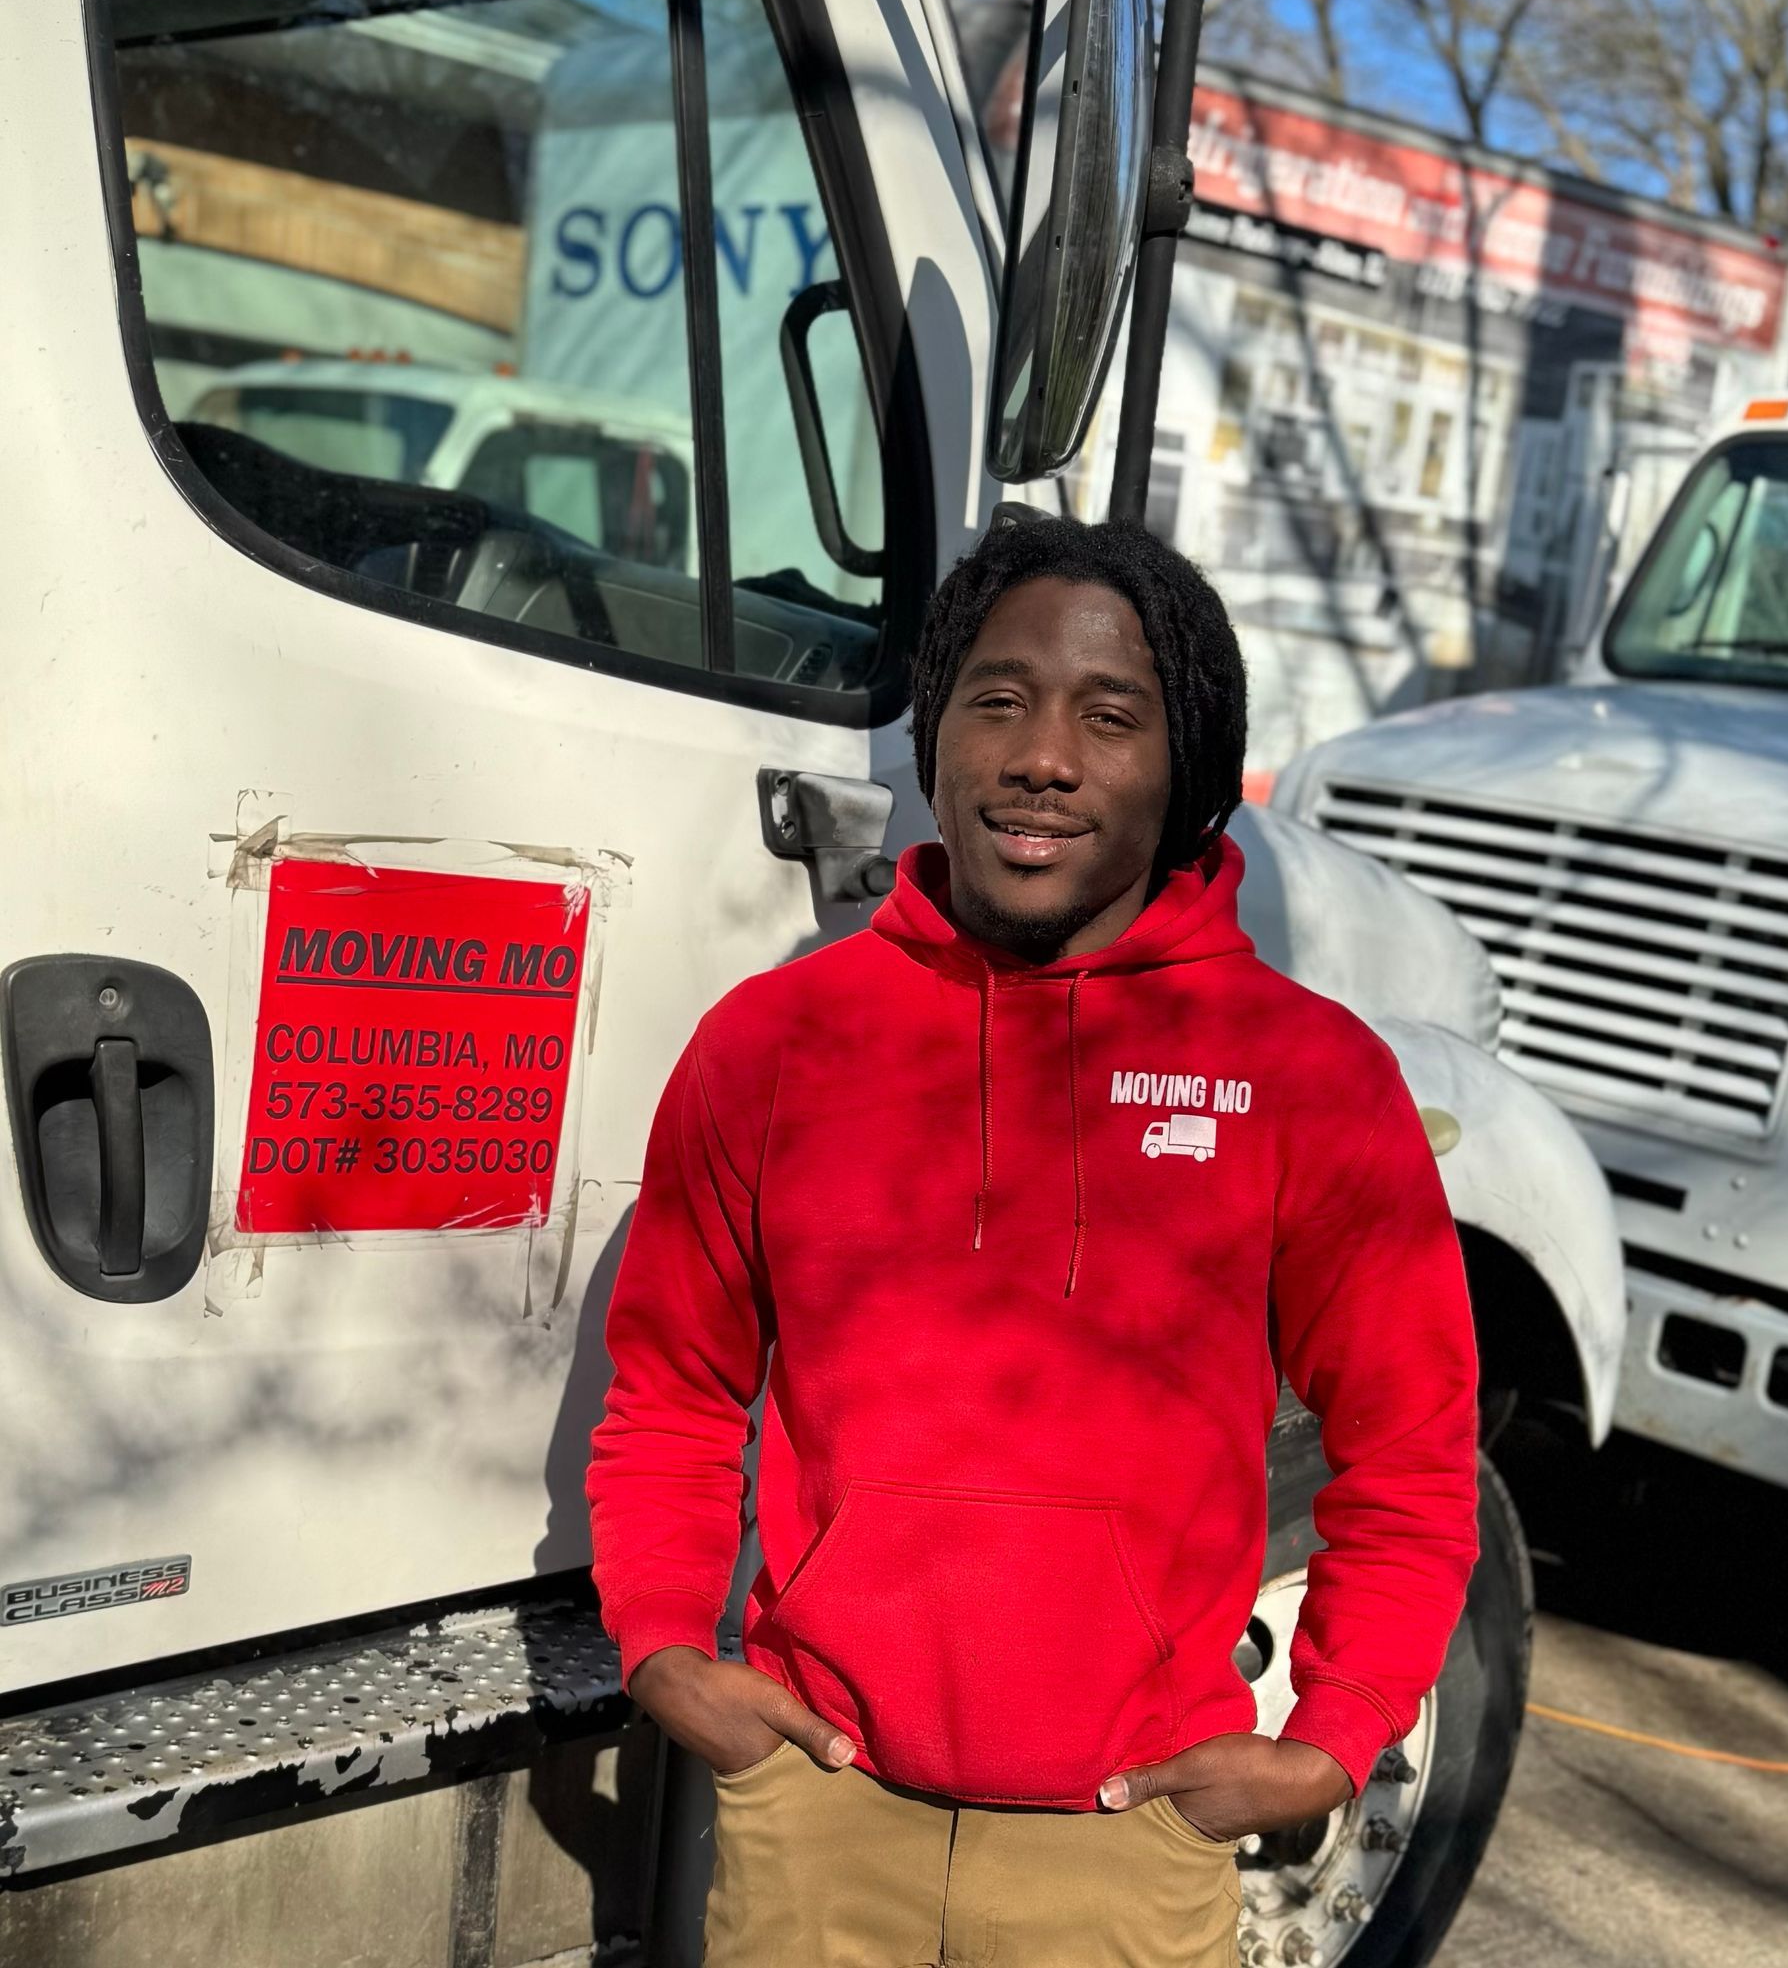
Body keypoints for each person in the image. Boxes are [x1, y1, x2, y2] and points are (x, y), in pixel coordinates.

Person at [587, 514, 1480, 1966]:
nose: (1042, 755)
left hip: (1127, 1839)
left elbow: (1412, 1447)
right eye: (996, 699)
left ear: (1187, 766)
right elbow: (673, 1393)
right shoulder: (777, 1045)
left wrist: (1337, 1731)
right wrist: (668, 1648)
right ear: (936, 733)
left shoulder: (1303, 1080)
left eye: (1109, 716)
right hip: (818, 1807)